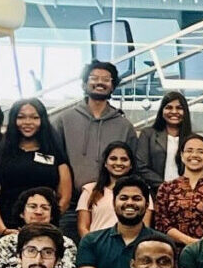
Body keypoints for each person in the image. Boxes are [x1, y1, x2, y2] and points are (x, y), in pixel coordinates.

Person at [0, 98, 72, 239]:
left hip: (45, 230)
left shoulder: (55, 152)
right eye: (21, 117)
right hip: (5, 227)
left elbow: (64, 196)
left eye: (34, 117)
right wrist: (3, 230)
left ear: (43, 120)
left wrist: (46, 224)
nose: (28, 122)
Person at [52, 62, 138, 194]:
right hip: (70, 201)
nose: (100, 83)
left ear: (113, 86)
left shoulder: (124, 126)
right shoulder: (64, 120)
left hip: (110, 201)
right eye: (94, 78)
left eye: (106, 79)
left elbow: (133, 167)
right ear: (84, 83)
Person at [75, 176, 161, 268]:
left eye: (136, 199)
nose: (130, 203)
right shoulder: (91, 241)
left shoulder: (160, 243)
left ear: (147, 204)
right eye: (123, 198)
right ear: (114, 203)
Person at [0, 189, 77, 268]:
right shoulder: (5, 243)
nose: (38, 212)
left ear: (52, 214)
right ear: (22, 213)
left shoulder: (66, 244)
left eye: (45, 208)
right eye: (32, 206)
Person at [150, 136, 203, 245]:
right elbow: (161, 223)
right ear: (182, 156)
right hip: (173, 252)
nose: (194, 155)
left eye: (200, 152)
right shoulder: (166, 188)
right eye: (189, 151)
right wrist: (191, 242)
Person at [75, 141, 140, 235]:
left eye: (124, 159)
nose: (118, 163)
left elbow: (145, 226)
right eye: (113, 158)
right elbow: (83, 227)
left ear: (131, 165)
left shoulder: (141, 191)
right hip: (96, 246)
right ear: (105, 163)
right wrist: (92, 247)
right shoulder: (89, 190)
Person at [130, 91, 193, 185]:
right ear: (161, 111)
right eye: (169, 107)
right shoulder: (148, 134)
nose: (174, 112)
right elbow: (141, 166)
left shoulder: (193, 139)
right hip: (155, 191)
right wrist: (165, 186)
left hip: (185, 193)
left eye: (179, 108)